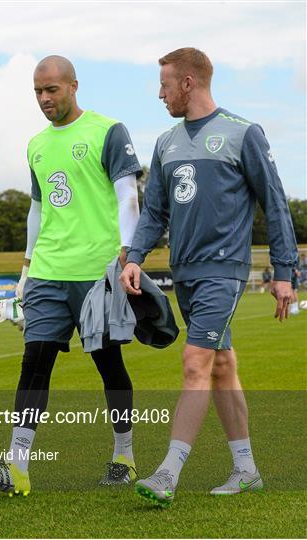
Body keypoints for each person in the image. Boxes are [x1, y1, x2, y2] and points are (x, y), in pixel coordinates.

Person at [120, 47, 298, 506]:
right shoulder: (165, 143)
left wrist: (284, 271)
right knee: (221, 366)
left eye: (164, 85)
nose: (159, 94)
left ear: (188, 83)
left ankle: (167, 474)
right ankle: (246, 471)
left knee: (195, 363)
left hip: (225, 270)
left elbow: (274, 203)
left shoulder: (243, 134)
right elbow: (155, 210)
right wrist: (135, 256)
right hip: (186, 273)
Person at [0, 56, 143, 496]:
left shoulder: (108, 130)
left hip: (96, 272)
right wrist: (26, 269)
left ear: (73, 86)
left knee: (108, 365)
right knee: (34, 362)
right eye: (38, 92)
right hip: (48, 271)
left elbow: (128, 196)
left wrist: (128, 252)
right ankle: (17, 467)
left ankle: (124, 455)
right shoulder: (36, 146)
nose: (45, 99)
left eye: (52, 90)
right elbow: (37, 209)